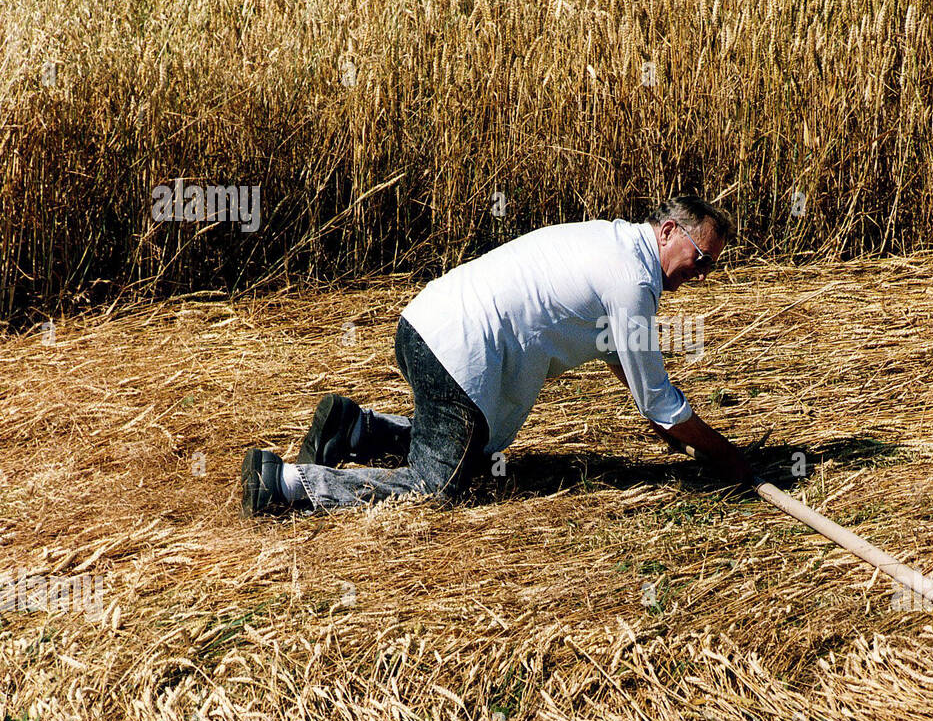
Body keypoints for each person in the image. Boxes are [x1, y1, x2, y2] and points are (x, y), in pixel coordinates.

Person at [241, 195, 754, 516]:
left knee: (469, 450)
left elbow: (625, 361)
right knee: (435, 486)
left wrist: (672, 431)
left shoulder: (615, 244)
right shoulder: (633, 279)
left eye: (712, 266)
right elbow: (657, 396)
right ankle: (286, 482)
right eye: (701, 258)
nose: (702, 272)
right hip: (457, 349)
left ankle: (354, 430)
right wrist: (725, 453)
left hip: (429, 325)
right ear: (668, 231)